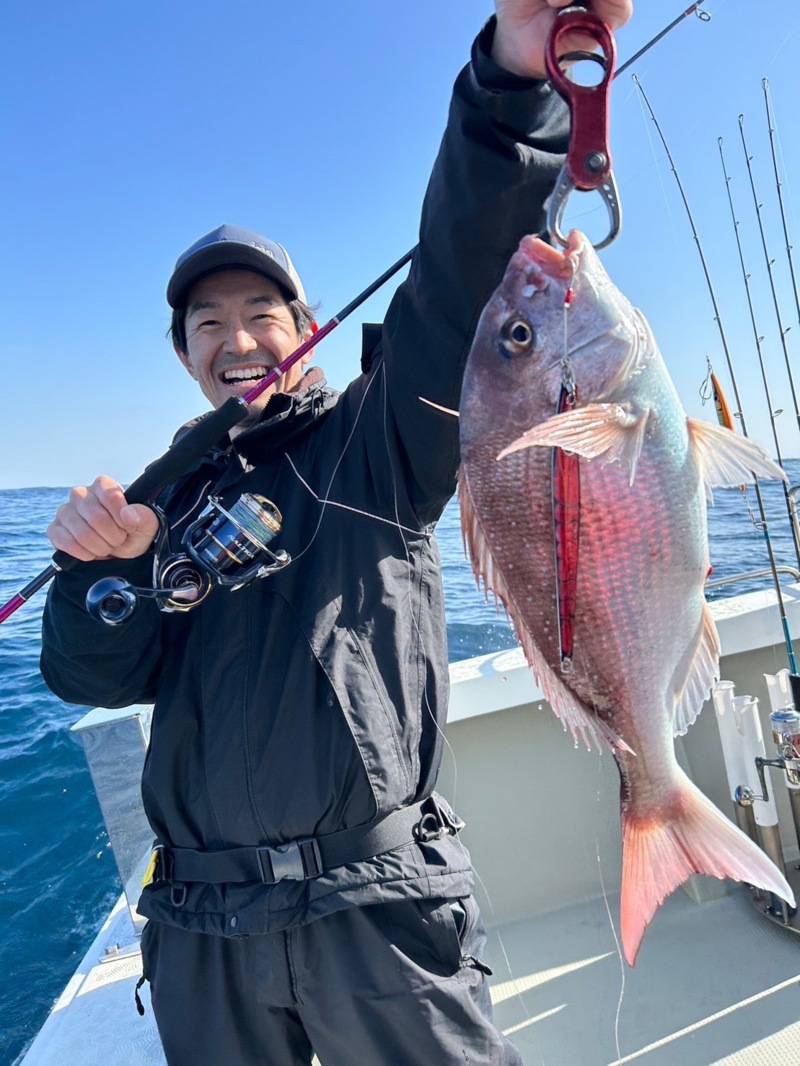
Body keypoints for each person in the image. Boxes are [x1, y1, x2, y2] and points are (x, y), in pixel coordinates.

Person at [40, 2, 633, 1063]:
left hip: (379, 910)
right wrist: (102, 569)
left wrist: (511, 77)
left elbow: (458, 277)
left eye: (261, 312)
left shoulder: (381, 430)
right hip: (202, 931)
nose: (237, 339)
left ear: (305, 328)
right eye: (207, 323)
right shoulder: (158, 498)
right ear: (182, 353)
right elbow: (95, 677)